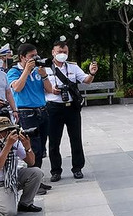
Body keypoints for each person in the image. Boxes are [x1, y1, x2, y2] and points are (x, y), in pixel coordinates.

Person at [41, 40, 96, 183]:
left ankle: (77, 168)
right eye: (59, 52)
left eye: (65, 52)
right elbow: (41, 87)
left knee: (76, 138)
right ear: (53, 52)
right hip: (53, 107)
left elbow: (86, 80)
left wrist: (92, 73)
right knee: (54, 141)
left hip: (71, 107)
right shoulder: (45, 69)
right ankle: (55, 171)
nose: (62, 55)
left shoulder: (73, 67)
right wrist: (52, 90)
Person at [0, 116, 44, 216]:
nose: (10, 133)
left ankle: (25, 204)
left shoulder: (14, 142)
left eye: (11, 130)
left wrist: (28, 147)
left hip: (12, 177)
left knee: (36, 172)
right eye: (7, 131)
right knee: (9, 213)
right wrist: (7, 146)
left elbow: (31, 162)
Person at [6, 44, 51, 190]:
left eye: (36, 55)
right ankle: (32, 182)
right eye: (31, 56)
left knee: (41, 146)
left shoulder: (38, 70)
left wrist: (43, 74)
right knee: (32, 147)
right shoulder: (14, 71)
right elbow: (17, 88)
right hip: (26, 112)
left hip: (42, 110)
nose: (35, 58)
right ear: (22, 57)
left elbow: (49, 89)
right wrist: (26, 70)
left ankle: (37, 178)